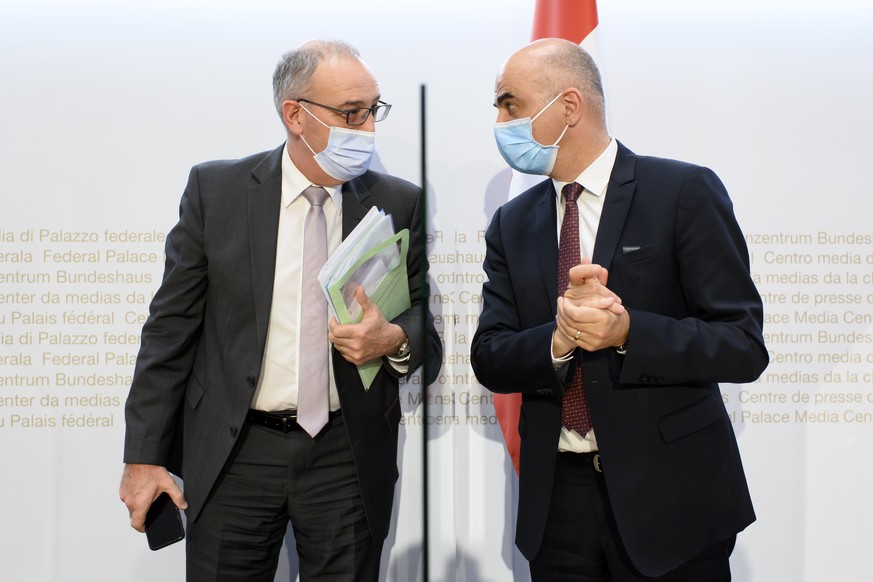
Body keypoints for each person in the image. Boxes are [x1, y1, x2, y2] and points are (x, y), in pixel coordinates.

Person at [119, 39, 442, 581]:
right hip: (235, 452)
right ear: (296, 115)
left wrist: (392, 340)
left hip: (345, 453)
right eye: (351, 114)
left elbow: (421, 334)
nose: (367, 130)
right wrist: (143, 455)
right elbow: (169, 330)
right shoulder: (216, 191)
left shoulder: (397, 202)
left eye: (372, 111)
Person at [471, 38, 769, 581]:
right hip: (557, 505)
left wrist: (627, 331)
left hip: (672, 499)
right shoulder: (511, 225)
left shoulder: (681, 191)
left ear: (568, 106)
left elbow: (742, 345)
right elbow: (489, 356)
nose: (498, 120)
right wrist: (558, 341)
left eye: (509, 103)